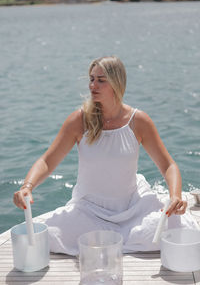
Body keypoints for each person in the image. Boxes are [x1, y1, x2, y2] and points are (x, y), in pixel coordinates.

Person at [13, 56, 197, 255]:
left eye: (101, 80)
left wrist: (175, 195)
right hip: (88, 211)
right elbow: (47, 161)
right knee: (48, 236)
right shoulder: (79, 120)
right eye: (91, 79)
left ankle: (121, 235)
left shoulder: (138, 121)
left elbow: (168, 165)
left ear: (117, 83)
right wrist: (27, 186)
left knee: (179, 225)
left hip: (132, 208)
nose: (93, 85)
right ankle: (119, 237)